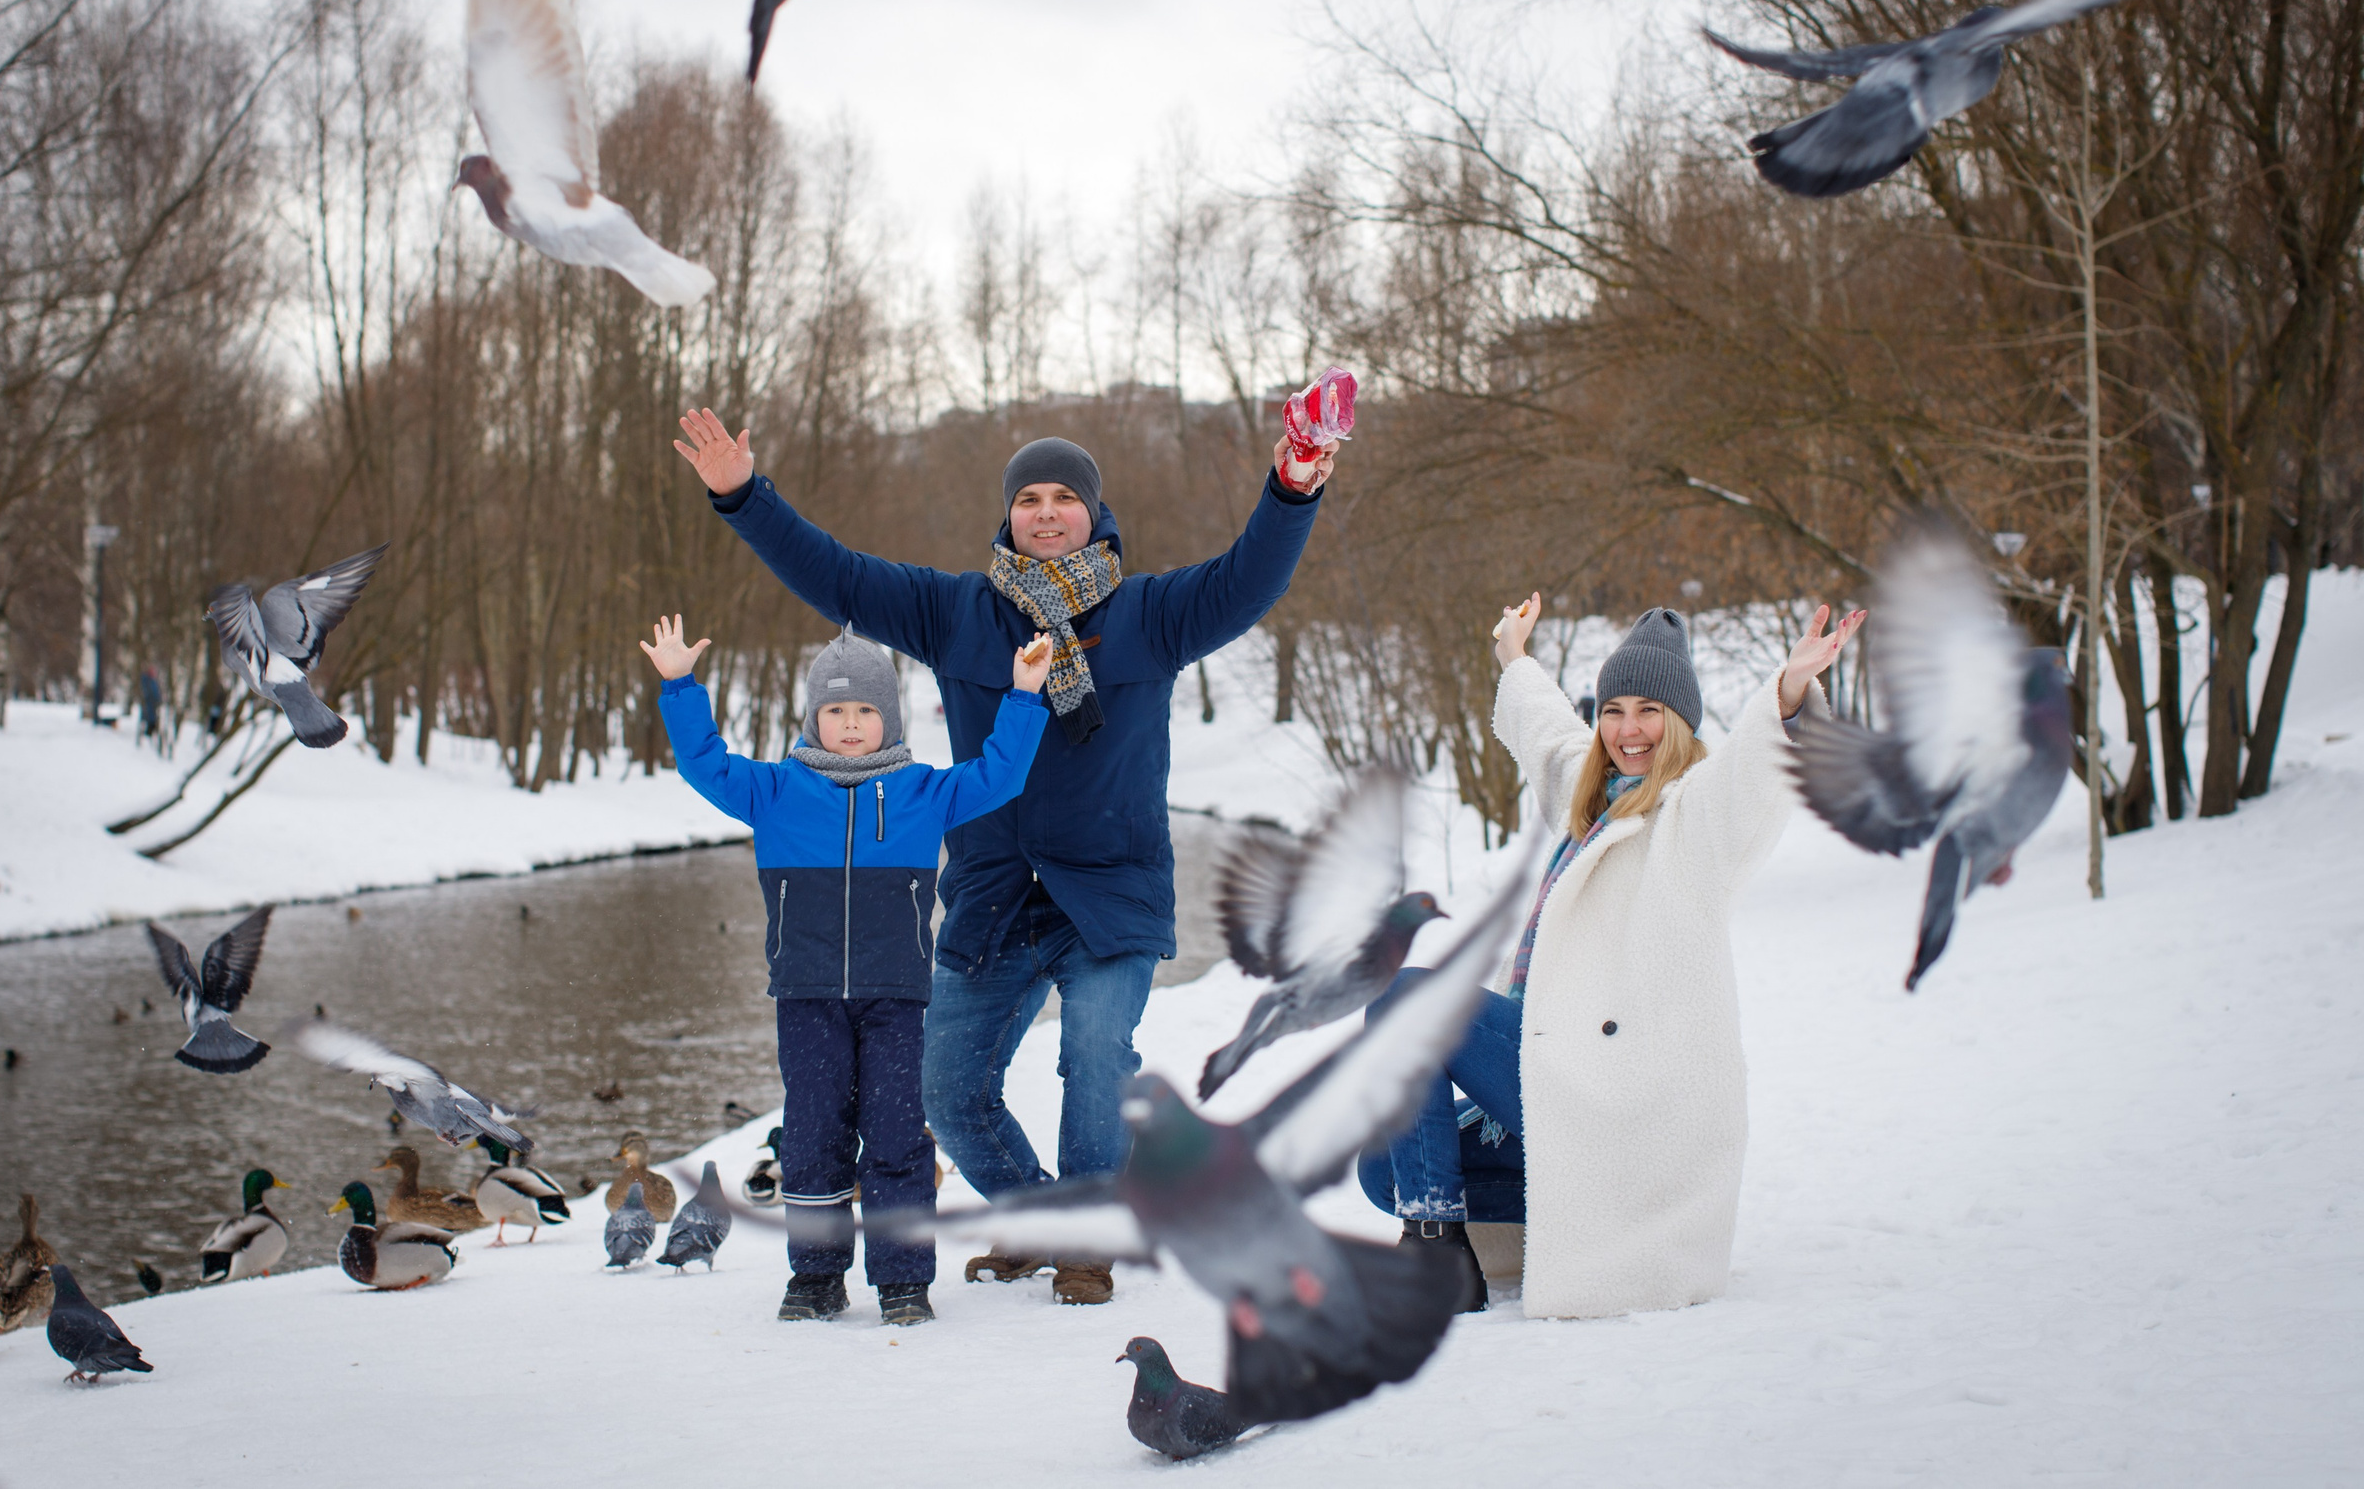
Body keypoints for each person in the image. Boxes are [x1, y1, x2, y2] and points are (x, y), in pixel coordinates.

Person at [674, 409, 1336, 1304]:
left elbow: (1248, 580)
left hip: (1110, 893)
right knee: (946, 1087)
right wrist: (742, 496)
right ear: (1008, 516)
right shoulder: (958, 614)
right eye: (1030, 497)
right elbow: (839, 573)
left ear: (1094, 512)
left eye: (1066, 496)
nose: (1048, 511)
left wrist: (1293, 483)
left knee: (1096, 1053)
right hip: (994, 895)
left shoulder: (1149, 614)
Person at [1363, 593, 1862, 1320]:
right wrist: (1514, 655)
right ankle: (1583, 1218)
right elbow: (1548, 735)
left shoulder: (1694, 817)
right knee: (1385, 1167)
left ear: (1682, 722)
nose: (1629, 729)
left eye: (1651, 711)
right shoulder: (1591, 799)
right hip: (1561, 1079)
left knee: (1408, 1000)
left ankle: (1439, 1253)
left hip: (1619, 1098)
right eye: (1614, 708)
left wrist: (1787, 696)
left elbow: (1751, 777)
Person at [642, 614, 1051, 1327]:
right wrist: (680, 685)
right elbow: (704, 762)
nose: (852, 724)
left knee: (896, 1136)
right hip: (806, 996)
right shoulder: (773, 790)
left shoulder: (924, 790)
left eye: (866, 710)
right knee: (811, 1136)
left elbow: (1002, 773)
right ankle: (817, 1275)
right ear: (814, 718)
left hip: (895, 997)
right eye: (837, 711)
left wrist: (1023, 696)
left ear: (888, 717)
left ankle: (902, 1282)